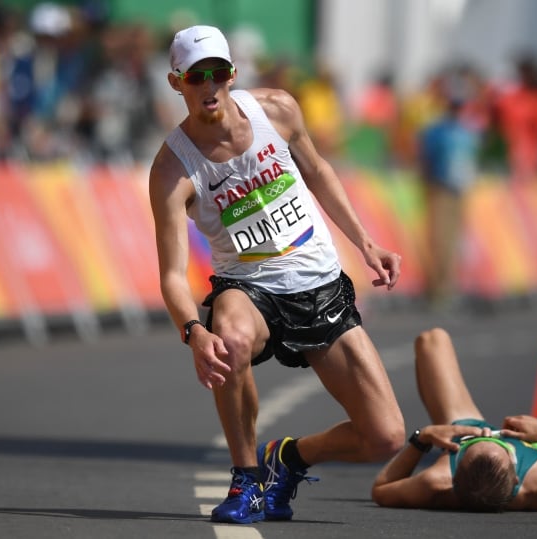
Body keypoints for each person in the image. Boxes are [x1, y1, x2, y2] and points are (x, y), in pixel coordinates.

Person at [148, 25, 405, 524]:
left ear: (233, 74)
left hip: (319, 284)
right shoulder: (171, 169)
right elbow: (173, 277)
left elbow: (319, 172)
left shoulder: (279, 110)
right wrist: (192, 332)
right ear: (176, 82)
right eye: (196, 77)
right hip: (248, 287)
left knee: (385, 436)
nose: (209, 86)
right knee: (231, 338)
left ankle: (289, 458)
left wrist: (366, 242)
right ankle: (246, 479)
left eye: (218, 73)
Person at [372, 327, 537, 512]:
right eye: (501, 443)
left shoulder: (436, 481)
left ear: (454, 474)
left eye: (481, 440)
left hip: (464, 430)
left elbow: (381, 489)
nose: (493, 433)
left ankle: (472, 441)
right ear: (517, 477)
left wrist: (423, 438)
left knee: (431, 340)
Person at [417, 76, 480, 307]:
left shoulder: (466, 131)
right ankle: (437, 289)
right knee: (441, 240)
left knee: (452, 241)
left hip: (458, 191)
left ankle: (447, 286)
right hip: (440, 189)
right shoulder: (439, 131)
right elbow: (426, 158)